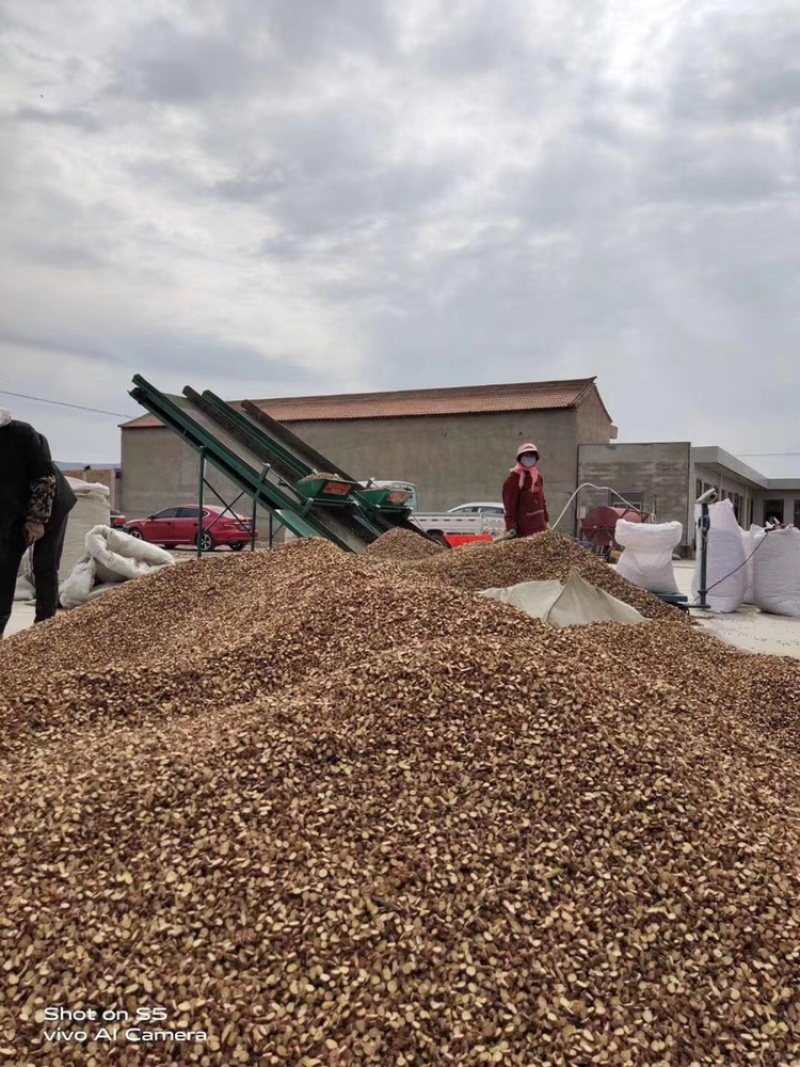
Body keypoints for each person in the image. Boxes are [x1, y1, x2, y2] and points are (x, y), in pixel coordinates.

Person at [0, 410, 75, 636]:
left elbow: (44, 480)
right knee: (4, 566)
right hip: (13, 509)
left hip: (51, 505)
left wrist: (36, 520)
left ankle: (44, 628)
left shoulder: (24, 435)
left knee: (44, 564)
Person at [502, 443, 549, 539]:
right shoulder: (513, 480)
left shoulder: (538, 477)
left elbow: (542, 502)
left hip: (540, 528)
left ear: (536, 458)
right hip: (523, 531)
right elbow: (509, 507)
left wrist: (546, 521)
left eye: (532, 455)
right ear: (520, 458)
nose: (529, 458)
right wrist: (511, 526)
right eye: (526, 455)